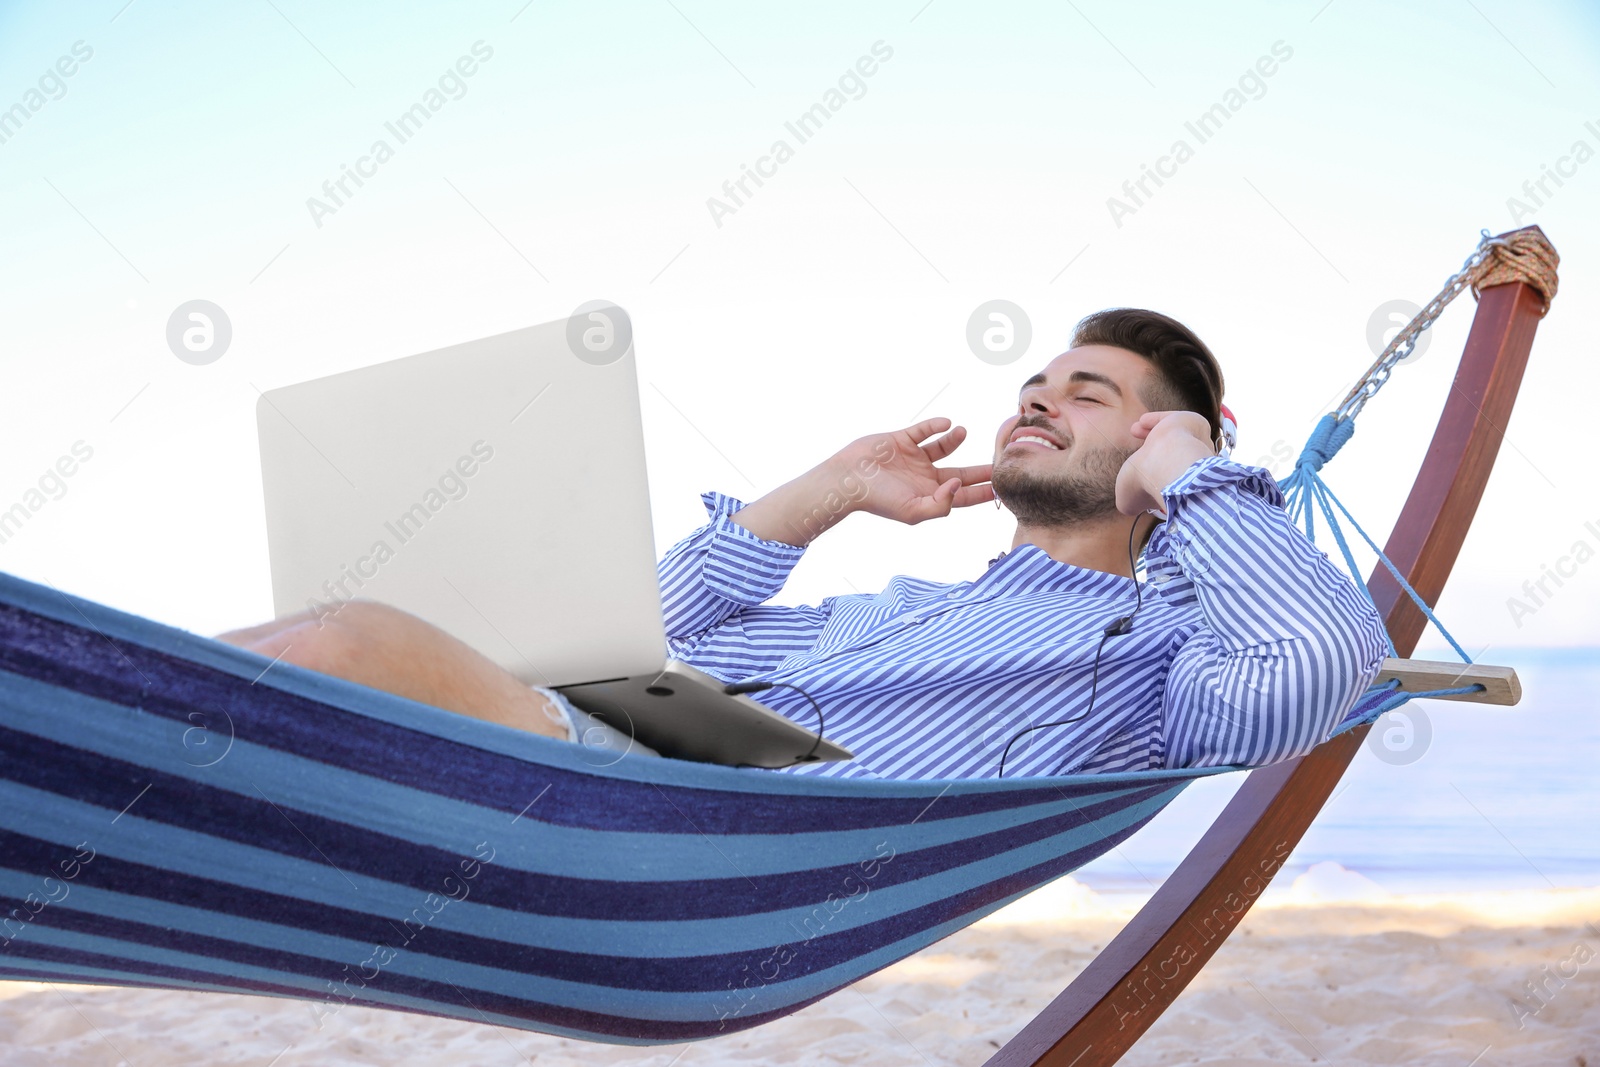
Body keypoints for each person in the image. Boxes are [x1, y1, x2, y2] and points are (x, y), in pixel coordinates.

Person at [217, 308, 1389, 779]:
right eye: (1029, 384)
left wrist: (1189, 469)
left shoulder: (1158, 657)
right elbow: (632, 638)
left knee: (350, 630)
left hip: (692, 831)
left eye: (1084, 393)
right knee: (348, 618)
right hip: (590, 748)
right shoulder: (885, 606)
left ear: (1156, 440)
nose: (1032, 400)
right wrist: (819, 494)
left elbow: (1317, 660)